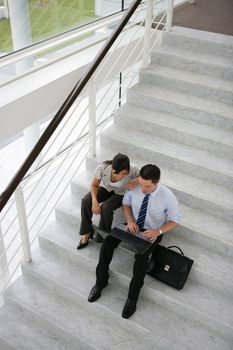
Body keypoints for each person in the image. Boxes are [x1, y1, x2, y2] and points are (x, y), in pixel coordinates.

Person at [88, 164, 181, 318]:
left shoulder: (168, 197)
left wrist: (158, 232)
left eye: (147, 186)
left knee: (141, 259)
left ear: (157, 182)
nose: (142, 189)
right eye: (141, 184)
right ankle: (100, 282)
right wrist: (130, 221)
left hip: (152, 232)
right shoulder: (135, 186)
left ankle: (132, 298)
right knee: (108, 243)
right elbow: (126, 204)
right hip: (132, 226)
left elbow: (175, 220)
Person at [77, 153, 139, 249]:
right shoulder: (102, 168)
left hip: (121, 193)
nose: (120, 177)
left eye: (124, 174)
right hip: (108, 189)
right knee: (86, 201)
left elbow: (144, 176)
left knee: (106, 207)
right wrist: (94, 201)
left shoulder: (133, 169)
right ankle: (87, 231)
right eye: (116, 173)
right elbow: (94, 185)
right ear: (112, 168)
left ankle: (103, 236)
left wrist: (133, 182)